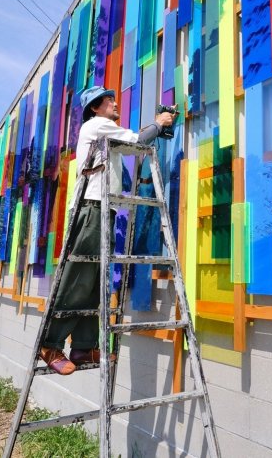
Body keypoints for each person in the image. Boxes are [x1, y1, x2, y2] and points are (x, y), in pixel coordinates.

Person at [40, 86, 175, 375]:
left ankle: (84, 347)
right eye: (109, 100)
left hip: (103, 209)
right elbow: (138, 138)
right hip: (91, 208)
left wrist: (156, 129)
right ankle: (50, 344)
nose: (115, 103)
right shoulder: (98, 125)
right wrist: (160, 123)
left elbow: (133, 146)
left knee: (93, 280)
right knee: (78, 278)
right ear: (95, 107)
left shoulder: (106, 133)